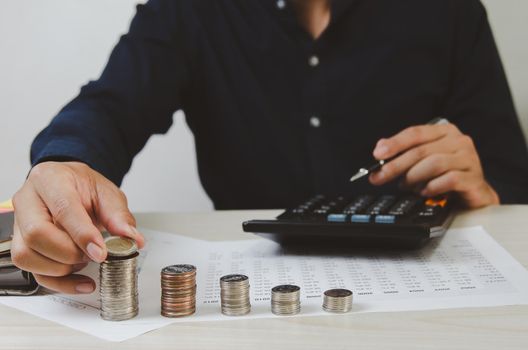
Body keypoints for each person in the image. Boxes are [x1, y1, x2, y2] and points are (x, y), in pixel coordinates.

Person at [10, 0, 528, 295]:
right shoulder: (188, 11)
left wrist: (486, 187)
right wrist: (63, 164)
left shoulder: (450, 11)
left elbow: (511, 178)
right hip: (250, 292)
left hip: (429, 286)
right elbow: (109, 106)